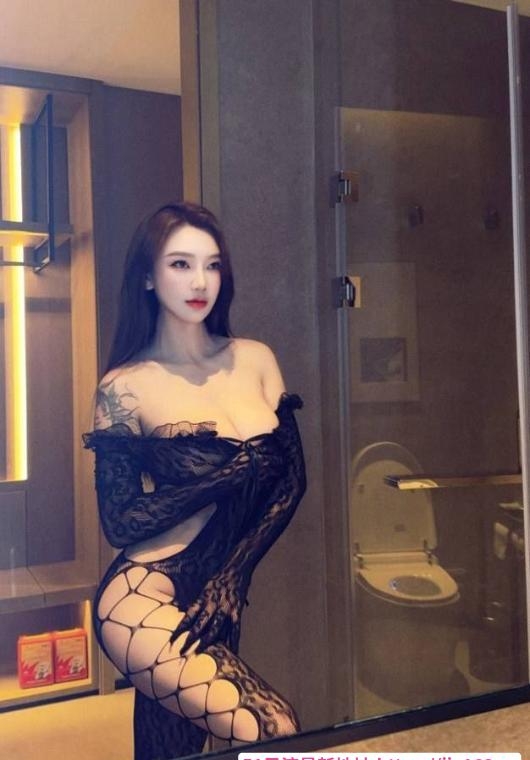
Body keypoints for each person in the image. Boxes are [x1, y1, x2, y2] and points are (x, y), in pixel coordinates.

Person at [83, 201, 306, 760]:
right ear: (147, 277)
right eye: (181, 264)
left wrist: (232, 577)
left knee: (175, 748)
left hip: (215, 593)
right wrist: (230, 474)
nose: (200, 281)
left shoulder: (254, 359)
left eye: (212, 265)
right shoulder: (125, 386)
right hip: (140, 596)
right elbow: (121, 522)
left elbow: (291, 484)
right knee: (272, 727)